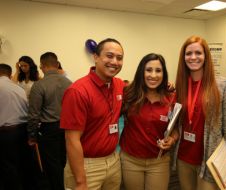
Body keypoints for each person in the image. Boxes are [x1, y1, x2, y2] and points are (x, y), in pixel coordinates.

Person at [174, 35, 226, 190]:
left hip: (210, 158)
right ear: (183, 57)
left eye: (198, 53)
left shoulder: (221, 85)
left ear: (206, 56)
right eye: (188, 53)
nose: (193, 57)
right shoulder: (181, 84)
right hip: (184, 157)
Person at [61, 38, 125, 190]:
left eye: (119, 58)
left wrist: (167, 87)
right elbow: (71, 140)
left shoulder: (119, 85)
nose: (114, 62)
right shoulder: (78, 91)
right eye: (109, 56)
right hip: (87, 166)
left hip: (113, 161)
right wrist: (80, 181)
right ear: (95, 57)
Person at [119, 53, 178, 190]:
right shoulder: (129, 94)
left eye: (158, 71)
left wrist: (172, 139)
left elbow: (176, 128)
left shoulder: (171, 98)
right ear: (141, 72)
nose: (153, 75)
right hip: (130, 160)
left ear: (164, 74)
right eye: (148, 70)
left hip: (159, 161)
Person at [27, 52, 72, 190]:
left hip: (49, 129)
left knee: (52, 165)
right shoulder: (69, 83)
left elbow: (34, 114)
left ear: (42, 66)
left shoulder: (39, 85)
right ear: (57, 64)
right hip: (68, 127)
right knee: (64, 161)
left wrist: (32, 136)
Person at [0, 63, 35, 190]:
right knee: (24, 164)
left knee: (9, 167)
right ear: (9, 75)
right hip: (23, 130)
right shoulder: (19, 88)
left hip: (6, 133)